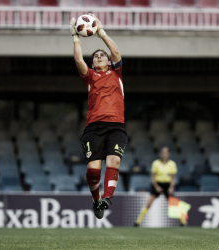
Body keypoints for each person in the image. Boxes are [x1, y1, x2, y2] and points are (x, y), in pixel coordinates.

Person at [70, 14, 127, 219]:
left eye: (103, 55)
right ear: (93, 64)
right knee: (93, 172)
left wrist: (101, 32)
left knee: (114, 161)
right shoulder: (90, 77)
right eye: (96, 56)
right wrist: (76, 37)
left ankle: (107, 199)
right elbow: (78, 59)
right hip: (93, 127)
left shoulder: (116, 72)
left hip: (116, 127)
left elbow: (116, 51)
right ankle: (96, 200)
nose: (100, 57)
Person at [134, 147, 177, 226]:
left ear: (168, 154)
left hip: (167, 185)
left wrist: (171, 187)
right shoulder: (156, 163)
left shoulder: (172, 164)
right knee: (149, 203)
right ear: (160, 154)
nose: (164, 154)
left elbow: (173, 178)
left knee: (174, 204)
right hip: (157, 184)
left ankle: (183, 222)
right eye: (163, 152)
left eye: (166, 152)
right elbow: (153, 177)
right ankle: (138, 222)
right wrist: (156, 186)